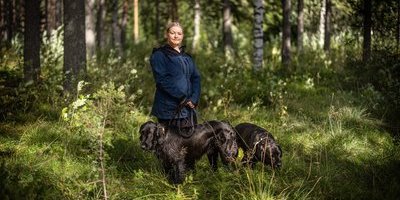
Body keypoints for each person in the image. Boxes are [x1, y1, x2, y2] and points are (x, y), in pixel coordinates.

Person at [149, 22, 201, 133]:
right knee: (169, 146)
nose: (176, 36)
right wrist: (182, 97)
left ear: (182, 36)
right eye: (172, 33)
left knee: (189, 144)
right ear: (167, 34)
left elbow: (196, 78)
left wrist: (193, 98)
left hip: (188, 109)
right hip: (168, 110)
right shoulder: (159, 55)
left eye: (179, 33)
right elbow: (162, 80)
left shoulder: (187, 57)